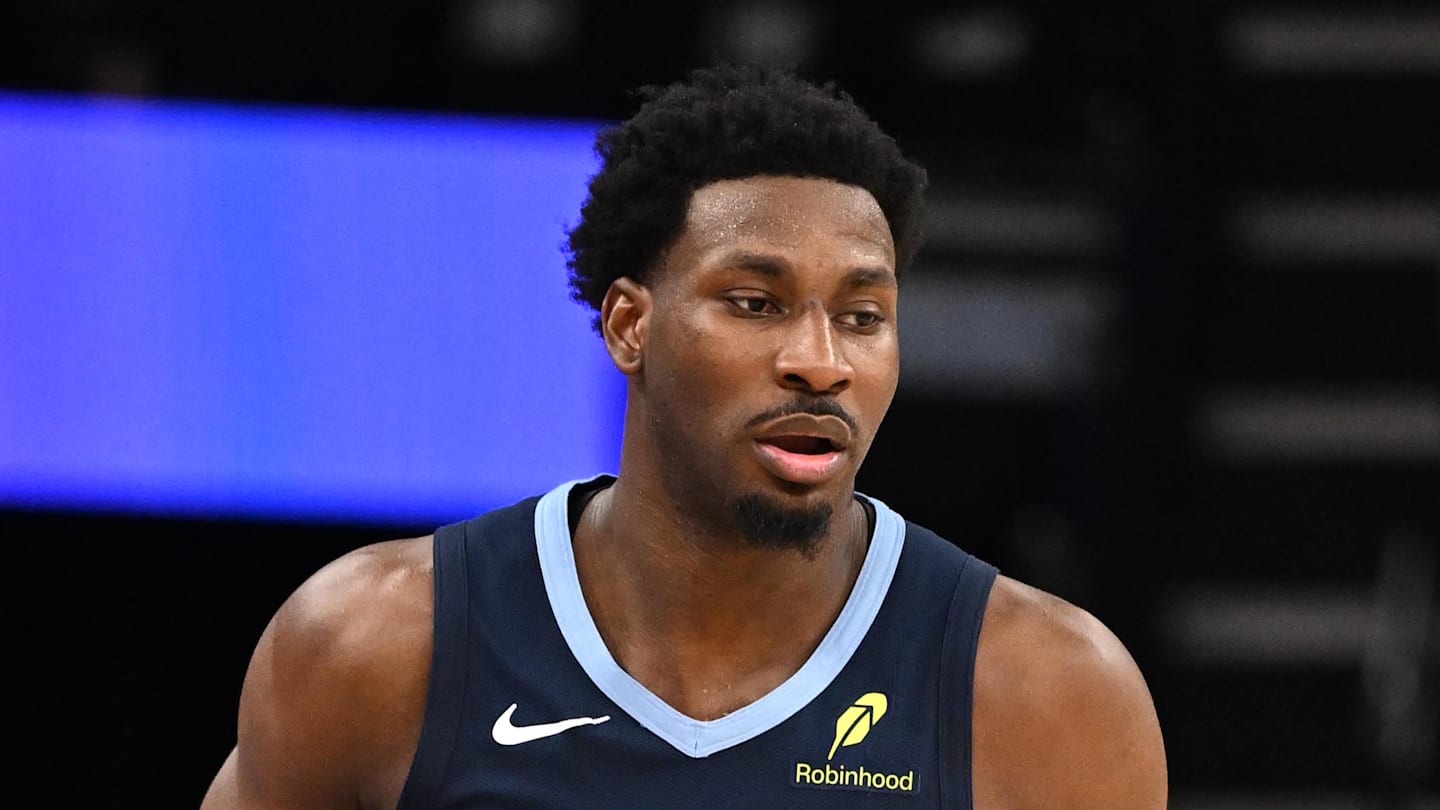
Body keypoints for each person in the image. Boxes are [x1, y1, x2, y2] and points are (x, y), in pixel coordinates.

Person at [200, 63, 1167, 809]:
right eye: (756, 302)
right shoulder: (376, 643)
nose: (820, 361)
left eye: (863, 316)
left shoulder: (1046, 692)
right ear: (630, 325)